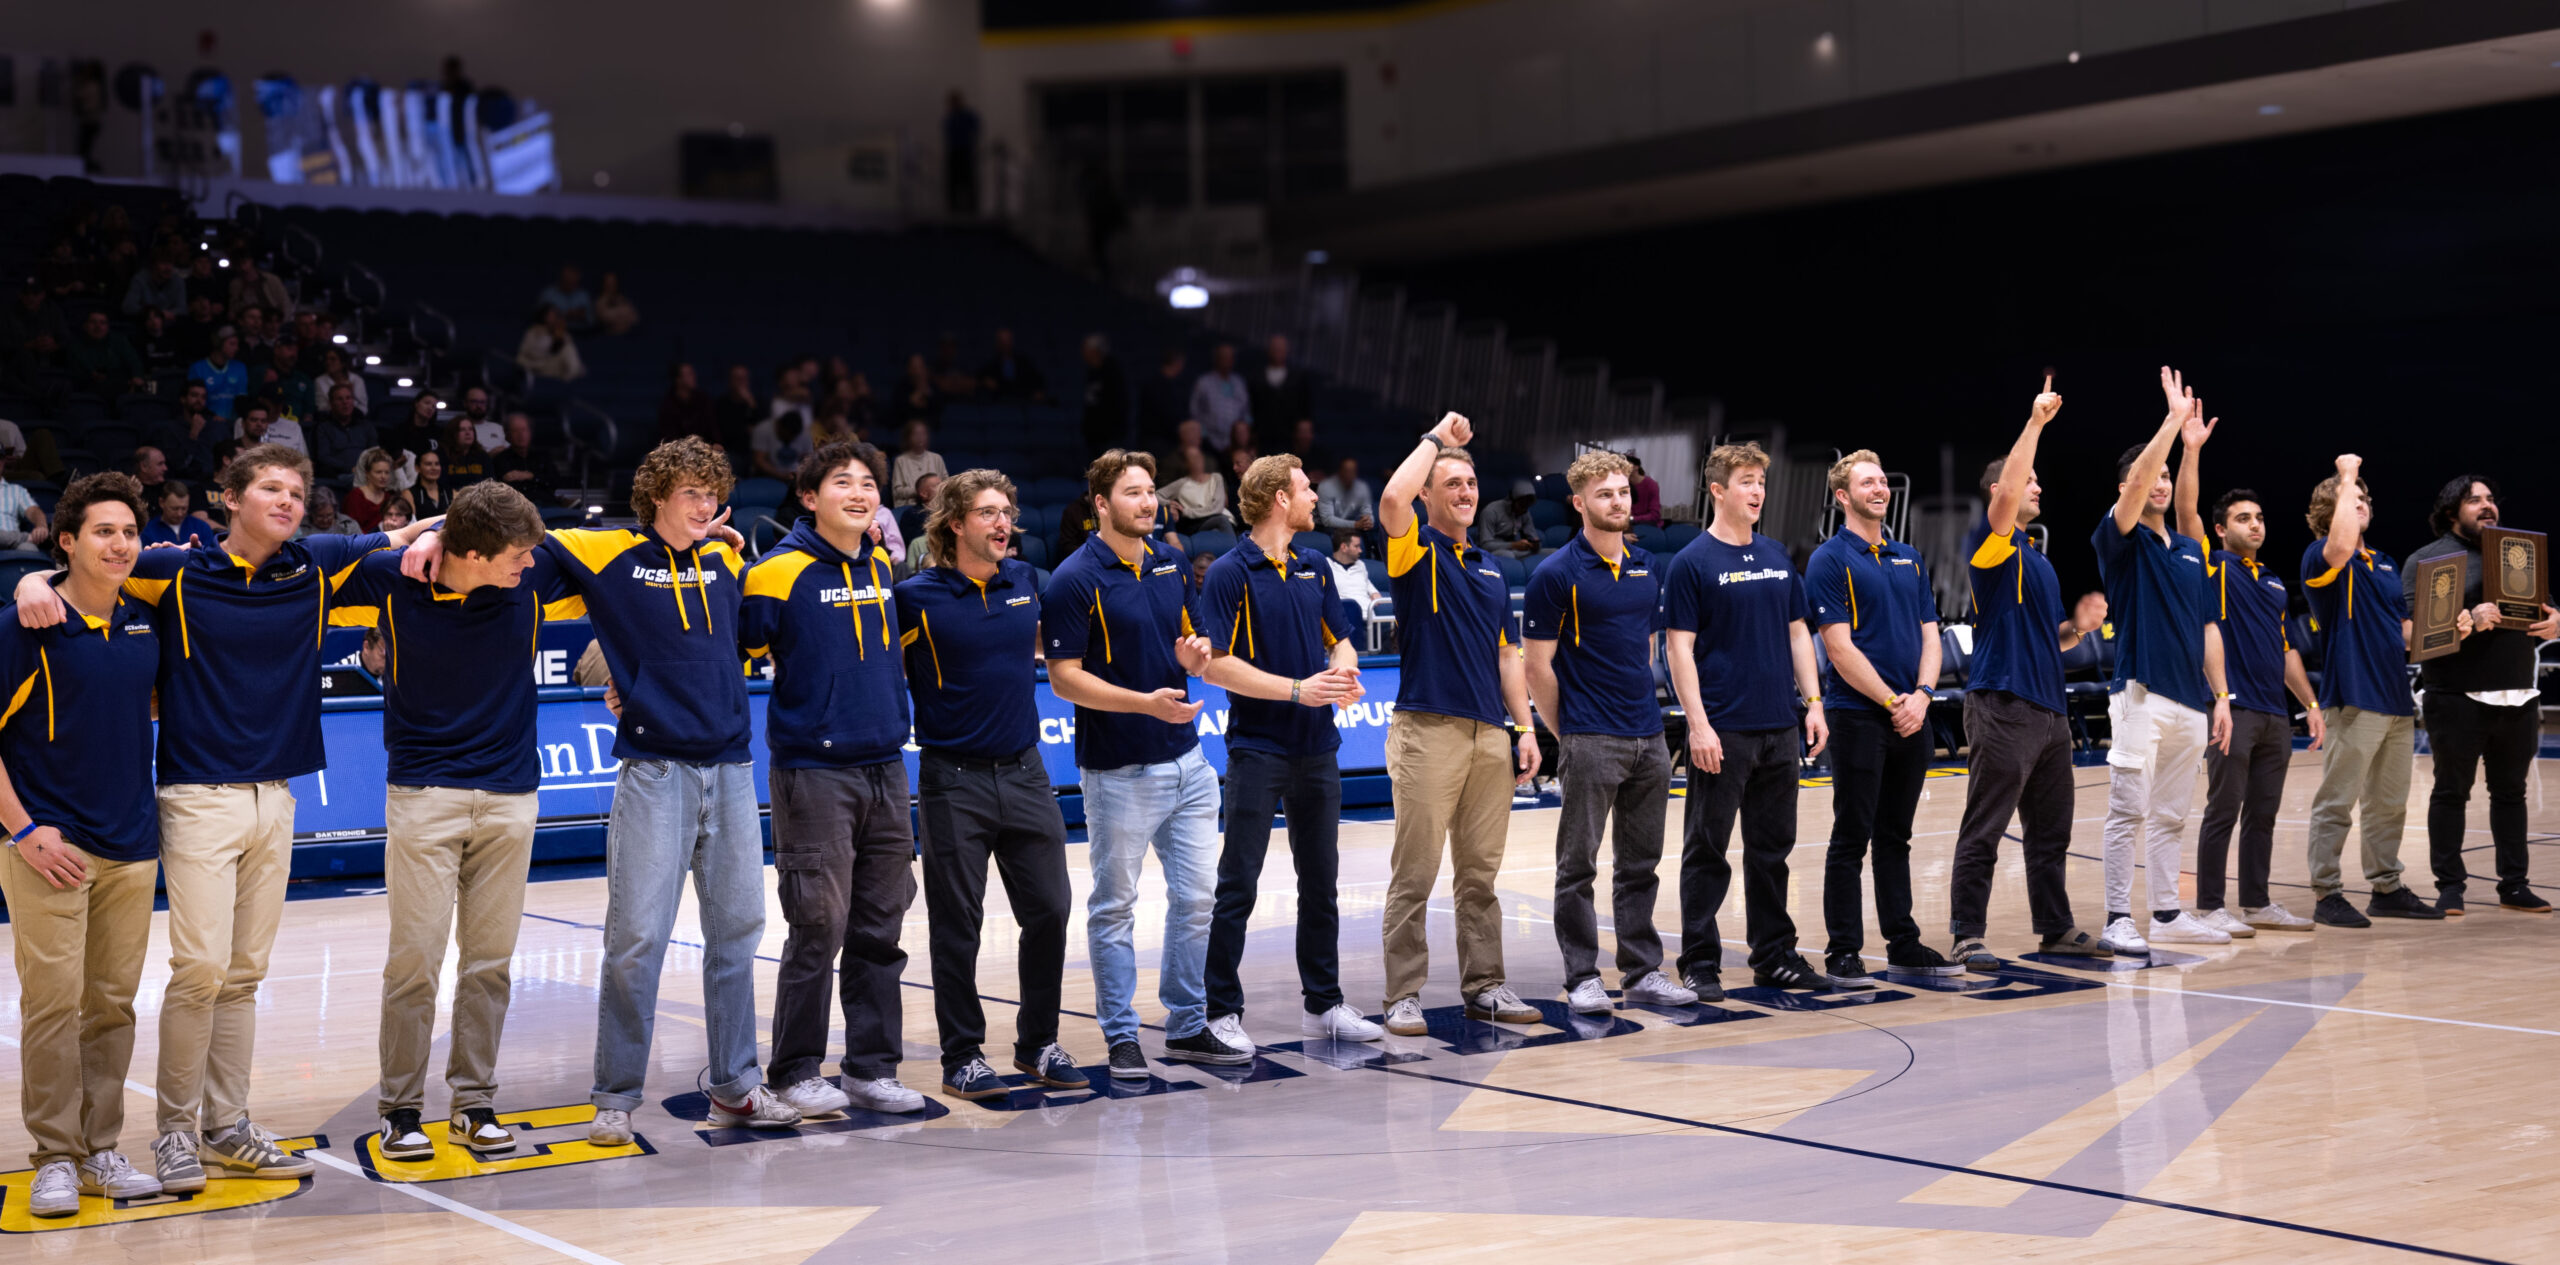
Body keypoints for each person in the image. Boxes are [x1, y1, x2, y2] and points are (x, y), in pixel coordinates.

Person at [12, 445, 434, 1192]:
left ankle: (226, 1124)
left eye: (298, 491)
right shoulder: (174, 571)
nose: (288, 500)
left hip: (279, 795)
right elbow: (84, 570)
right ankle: (171, 1132)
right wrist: (30, 579)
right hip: (196, 795)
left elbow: (405, 534)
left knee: (243, 974)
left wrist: (430, 535)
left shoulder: (315, 563)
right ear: (230, 498)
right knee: (199, 969)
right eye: (270, 487)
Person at [406, 436, 797, 1139]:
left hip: (734, 768)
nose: (706, 505)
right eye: (691, 494)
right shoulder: (603, 550)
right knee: (636, 939)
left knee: (737, 932)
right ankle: (615, 1095)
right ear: (655, 499)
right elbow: (504, 542)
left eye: (712, 494)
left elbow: (733, 645)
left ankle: (737, 1085)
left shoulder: (727, 555)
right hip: (652, 771)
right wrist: (437, 534)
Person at [332, 482, 561, 1162]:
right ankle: (400, 1110)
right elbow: (315, 559)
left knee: (490, 964)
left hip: (512, 795)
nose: (527, 564)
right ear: (470, 551)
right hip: (423, 794)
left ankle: (473, 1104)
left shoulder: (532, 573)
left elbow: (624, 548)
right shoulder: (390, 579)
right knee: (415, 965)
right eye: (515, 554)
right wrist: (415, 535)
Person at [741, 443, 930, 1118]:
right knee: (818, 925)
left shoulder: (881, 563)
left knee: (882, 926)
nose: (859, 491)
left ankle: (871, 1069)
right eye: (841, 481)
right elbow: (730, 651)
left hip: (885, 766)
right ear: (808, 496)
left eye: (869, 483)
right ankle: (794, 1071)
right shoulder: (775, 573)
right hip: (814, 772)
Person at [0, 472, 167, 1216]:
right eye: (103, 530)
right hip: (49, 848)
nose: (120, 543)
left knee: (111, 1006)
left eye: (129, 531)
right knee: (52, 1005)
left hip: (131, 844)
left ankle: (101, 1148)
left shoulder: (142, 622)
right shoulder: (23, 624)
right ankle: (54, 1157)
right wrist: (25, 829)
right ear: (66, 540)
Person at [894, 470, 1086, 1099]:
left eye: (1007, 511)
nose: (1004, 523)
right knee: (958, 924)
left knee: (1052, 911)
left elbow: (1060, 648)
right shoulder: (915, 596)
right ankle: (961, 1056)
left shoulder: (1025, 581)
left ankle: (1038, 1043)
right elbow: (872, 661)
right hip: (953, 780)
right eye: (988, 513)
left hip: (1027, 772)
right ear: (955, 523)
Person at [1043, 449, 1232, 1077]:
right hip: (1119, 771)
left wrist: (1197, 657)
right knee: (1115, 904)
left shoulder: (1173, 562)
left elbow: (1196, 647)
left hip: (1190, 762)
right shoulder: (1074, 577)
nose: (1147, 502)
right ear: (1101, 504)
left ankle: (1186, 1022)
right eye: (1132, 493)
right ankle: (1122, 1033)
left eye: (1150, 491)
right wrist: (1145, 705)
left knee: (1199, 897)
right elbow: (1065, 679)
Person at [1201, 455, 1383, 1051]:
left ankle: (1324, 1004)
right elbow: (1217, 666)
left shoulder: (1315, 565)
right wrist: (1298, 691)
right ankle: (1220, 1010)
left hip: (1318, 747)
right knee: (1239, 884)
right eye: (1306, 489)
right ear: (1280, 498)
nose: (1314, 498)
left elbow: (1343, 642)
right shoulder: (1230, 571)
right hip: (1258, 747)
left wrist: (1345, 674)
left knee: (1322, 881)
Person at [1376, 413, 1542, 1035]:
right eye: (1451, 485)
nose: (1466, 494)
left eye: (1471, 485)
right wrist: (1436, 442)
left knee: (1480, 875)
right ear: (1429, 494)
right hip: (1427, 732)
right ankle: (1403, 994)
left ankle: (1486, 985)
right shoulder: (1414, 549)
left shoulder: (1494, 570)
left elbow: (1508, 656)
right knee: (1414, 873)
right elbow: (1392, 497)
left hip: (1489, 736)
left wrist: (1523, 730)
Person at [1946, 378, 2114, 968]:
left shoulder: (2038, 559)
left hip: (2049, 710)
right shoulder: (1989, 547)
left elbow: (2049, 638)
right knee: (1986, 827)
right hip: (2003, 704)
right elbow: (2009, 489)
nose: (2038, 486)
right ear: (2002, 491)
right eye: (2028, 481)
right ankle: (1967, 930)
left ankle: (2055, 925)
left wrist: (2078, 629)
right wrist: (2036, 424)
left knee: (2051, 834)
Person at [1526, 450, 1698, 1012]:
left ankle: (1642, 970)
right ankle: (1581, 976)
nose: (1618, 502)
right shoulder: (1556, 574)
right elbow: (1536, 667)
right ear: (1579, 503)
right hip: (1590, 737)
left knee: (1640, 863)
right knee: (1577, 866)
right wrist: (1568, 732)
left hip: (1649, 736)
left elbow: (1645, 648)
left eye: (1624, 492)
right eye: (1605, 494)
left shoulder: (1648, 566)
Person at [1662, 442, 1833, 994]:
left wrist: (1813, 703)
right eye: (1745, 482)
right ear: (1717, 490)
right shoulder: (1692, 562)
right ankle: (1700, 960)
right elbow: (1678, 649)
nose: (1757, 491)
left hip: (1779, 726)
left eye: (1760, 481)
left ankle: (1775, 953)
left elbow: (1798, 633)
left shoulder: (1778, 554)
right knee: (1706, 849)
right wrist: (1699, 724)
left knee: (1772, 850)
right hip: (1724, 729)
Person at [2088, 369, 2234, 954]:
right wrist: (2171, 425)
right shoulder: (2120, 538)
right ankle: (2118, 917)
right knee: (2128, 810)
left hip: (2189, 700)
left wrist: (2221, 697)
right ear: (2128, 485)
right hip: (2140, 693)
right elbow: (2137, 486)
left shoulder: (2189, 549)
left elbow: (2207, 630)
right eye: (2152, 475)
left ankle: (2168, 914)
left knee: (2172, 815)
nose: (2161, 482)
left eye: (2167, 476)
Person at [1806, 450, 1957, 984]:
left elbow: (1929, 634)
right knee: (1852, 835)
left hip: (1912, 714)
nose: (1880, 488)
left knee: (1896, 835)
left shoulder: (1908, 557)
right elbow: (1839, 649)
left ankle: (1903, 942)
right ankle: (1843, 949)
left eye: (1882, 481)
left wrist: (1921, 694)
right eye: (1866, 482)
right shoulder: (1829, 559)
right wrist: (1893, 702)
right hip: (1859, 717)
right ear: (1843, 496)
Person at [2300, 455, 2459, 927]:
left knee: (2389, 803)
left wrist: (2458, 628)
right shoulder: (2321, 556)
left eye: (2366, 497)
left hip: (2394, 699)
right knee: (2338, 800)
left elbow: (2410, 636)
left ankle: (2385, 886)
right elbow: (2341, 543)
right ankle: (2326, 891)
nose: (2362, 502)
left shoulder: (2386, 564)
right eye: (2353, 498)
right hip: (2353, 696)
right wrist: (2346, 475)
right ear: (2328, 511)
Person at [2406, 475, 2558, 915]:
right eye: (2475, 500)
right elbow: (2411, 635)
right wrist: (2467, 617)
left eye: (2491, 499)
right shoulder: (2428, 559)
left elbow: (2542, 608)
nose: (2487, 506)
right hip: (2455, 694)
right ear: (2452, 510)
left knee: (2511, 795)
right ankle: (2450, 887)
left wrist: (2555, 620)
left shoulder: (2519, 552)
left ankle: (2514, 885)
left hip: (2518, 694)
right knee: (2451, 793)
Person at [2184, 483, 2324, 933]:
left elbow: (2287, 652)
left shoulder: (2275, 583)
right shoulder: (2215, 567)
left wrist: (2311, 704)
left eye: (2260, 517)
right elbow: (2187, 513)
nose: (2255, 524)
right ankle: (2209, 906)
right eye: (2243, 518)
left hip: (2274, 715)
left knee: (2262, 814)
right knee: (2223, 809)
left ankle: (2257, 903)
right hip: (2232, 710)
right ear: (2221, 529)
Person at [66, 308, 144, 398]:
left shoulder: (119, 341)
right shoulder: (75, 345)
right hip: (89, 390)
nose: (98, 326)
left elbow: (134, 362)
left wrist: (136, 376)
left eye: (102, 323)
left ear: (107, 327)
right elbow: (81, 373)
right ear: (85, 325)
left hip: (121, 388)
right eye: (93, 322)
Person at [1190, 344, 1250, 456]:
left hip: (1235, 445)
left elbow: (1246, 413)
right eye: (1224, 357)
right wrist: (1204, 436)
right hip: (1210, 443)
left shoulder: (1239, 383)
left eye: (1230, 357)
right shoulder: (1203, 382)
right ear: (1216, 359)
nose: (1228, 361)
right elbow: (1195, 412)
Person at [1250, 335, 1312, 441]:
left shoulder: (1298, 378)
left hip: (1288, 436)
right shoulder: (1256, 376)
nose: (1277, 352)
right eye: (1274, 349)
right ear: (1268, 350)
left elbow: (1304, 405)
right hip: (1261, 435)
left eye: (1280, 349)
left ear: (1287, 351)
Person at [310, 387, 379, 481]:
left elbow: (374, 452)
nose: (345, 402)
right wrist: (349, 469)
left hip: (366, 473)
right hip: (339, 475)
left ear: (353, 401)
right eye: (340, 399)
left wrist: (364, 469)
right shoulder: (323, 428)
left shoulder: (366, 426)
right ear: (331, 403)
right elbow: (323, 457)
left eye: (348, 398)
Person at [1163, 445, 1234, 535]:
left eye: (1198, 457)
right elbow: (1157, 495)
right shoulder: (1181, 483)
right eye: (1192, 458)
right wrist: (1170, 504)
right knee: (1221, 521)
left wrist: (1187, 512)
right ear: (1186, 463)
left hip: (1222, 518)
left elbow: (1217, 508)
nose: (1197, 461)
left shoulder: (1216, 478)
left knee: (1221, 524)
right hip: (1197, 523)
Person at [1079, 333, 1128, 457]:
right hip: (1093, 435)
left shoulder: (1113, 372)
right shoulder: (1091, 372)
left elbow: (1119, 404)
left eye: (1086, 349)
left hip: (1110, 436)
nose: (1083, 353)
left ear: (1095, 351)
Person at [1137, 347, 1190, 455]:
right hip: (1158, 444)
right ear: (1177, 363)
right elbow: (1165, 416)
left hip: (1163, 441)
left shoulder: (1172, 385)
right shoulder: (1155, 386)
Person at [188, 326, 247, 419]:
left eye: (237, 344)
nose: (236, 348)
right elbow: (193, 401)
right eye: (232, 344)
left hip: (232, 425)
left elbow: (242, 400)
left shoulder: (240, 368)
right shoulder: (198, 368)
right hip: (205, 422)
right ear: (218, 343)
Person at [1328, 531, 1382, 629]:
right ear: (1344, 547)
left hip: (1369, 620)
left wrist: (1374, 594)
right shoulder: (1325, 565)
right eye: (1356, 546)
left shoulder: (1360, 565)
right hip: (1343, 621)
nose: (1360, 550)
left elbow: (1375, 594)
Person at [977, 327, 1047, 403]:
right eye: (1002, 341)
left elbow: (1037, 381)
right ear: (997, 343)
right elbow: (981, 381)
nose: (1005, 344)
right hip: (999, 405)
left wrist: (1038, 391)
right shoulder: (990, 367)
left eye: (1008, 341)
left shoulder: (1024, 363)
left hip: (1023, 402)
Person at [516, 305, 585, 382]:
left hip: (553, 366)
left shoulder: (561, 332)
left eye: (555, 315)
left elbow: (566, 351)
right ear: (544, 316)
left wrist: (558, 339)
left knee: (568, 350)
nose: (553, 318)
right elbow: (525, 352)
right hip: (535, 365)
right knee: (521, 361)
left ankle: (568, 382)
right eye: (550, 315)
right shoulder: (534, 331)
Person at [1474, 480, 1541, 558]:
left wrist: (1535, 544)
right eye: (1521, 505)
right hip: (1496, 551)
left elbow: (1533, 536)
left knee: (1553, 552)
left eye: (1527, 506)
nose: (1523, 510)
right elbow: (1485, 546)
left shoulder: (1525, 512)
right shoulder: (1491, 511)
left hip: (1517, 550)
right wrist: (1513, 545)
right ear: (1512, 500)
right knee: (1509, 555)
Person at [892, 420, 949, 507]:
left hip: (934, 506)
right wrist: (922, 491)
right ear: (908, 437)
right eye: (916, 434)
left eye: (923, 434)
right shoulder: (901, 461)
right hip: (909, 506)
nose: (920, 437)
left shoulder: (936, 458)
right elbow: (897, 492)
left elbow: (946, 485)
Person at [716, 363, 764, 464]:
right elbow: (726, 432)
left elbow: (762, 429)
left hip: (755, 450)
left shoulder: (758, 402)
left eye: (744, 379)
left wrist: (751, 404)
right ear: (730, 381)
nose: (741, 383)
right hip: (731, 451)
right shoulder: (721, 404)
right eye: (738, 379)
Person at [1316, 457, 1376, 537]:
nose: (1349, 474)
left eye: (1352, 471)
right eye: (1346, 471)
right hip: (1323, 528)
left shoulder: (1362, 487)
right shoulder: (1325, 487)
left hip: (1349, 525)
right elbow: (1327, 520)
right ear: (1340, 472)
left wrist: (1368, 521)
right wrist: (1355, 525)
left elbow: (1367, 513)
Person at [944, 91, 981, 217]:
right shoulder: (950, 117)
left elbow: (976, 128)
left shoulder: (968, 115)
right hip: (954, 151)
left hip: (965, 150)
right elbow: (947, 133)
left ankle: (971, 208)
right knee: (953, 181)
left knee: (968, 180)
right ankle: (954, 208)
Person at [347, 448, 399, 531]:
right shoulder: (355, 496)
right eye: (378, 472)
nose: (383, 477)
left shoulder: (389, 498)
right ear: (367, 473)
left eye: (386, 472)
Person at [123, 250, 186, 316]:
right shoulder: (140, 279)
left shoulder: (177, 281)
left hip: (169, 322)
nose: (168, 268)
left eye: (170, 263)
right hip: (145, 322)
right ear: (153, 265)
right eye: (163, 263)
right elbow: (128, 306)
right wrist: (155, 313)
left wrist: (164, 314)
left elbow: (182, 309)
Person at [318, 346, 369, 417]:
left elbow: (363, 408)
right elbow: (321, 408)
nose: (328, 362)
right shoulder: (319, 381)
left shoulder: (357, 380)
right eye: (326, 359)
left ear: (343, 362)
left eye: (333, 359)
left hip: (356, 419)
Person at [537, 265, 594, 330]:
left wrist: (582, 316)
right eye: (568, 282)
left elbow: (592, 320)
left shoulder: (583, 295)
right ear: (561, 279)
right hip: (551, 332)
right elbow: (538, 318)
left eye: (574, 283)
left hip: (581, 333)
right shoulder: (548, 295)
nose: (571, 285)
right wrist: (563, 315)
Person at [592, 271, 638, 336]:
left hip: (627, 336)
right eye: (608, 282)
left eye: (613, 282)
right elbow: (604, 318)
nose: (611, 285)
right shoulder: (599, 301)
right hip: (607, 337)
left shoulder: (622, 298)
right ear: (603, 283)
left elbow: (634, 318)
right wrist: (622, 314)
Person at [410, 449, 453, 519]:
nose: (434, 468)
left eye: (437, 464)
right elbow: (411, 522)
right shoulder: (409, 494)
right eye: (428, 464)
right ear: (417, 468)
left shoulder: (451, 492)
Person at [1629, 458, 1662, 528]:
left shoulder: (1651, 485)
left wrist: (1632, 519)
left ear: (1636, 467)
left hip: (1647, 524)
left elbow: (1654, 515)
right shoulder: (1622, 484)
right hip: (1627, 525)